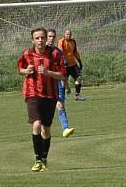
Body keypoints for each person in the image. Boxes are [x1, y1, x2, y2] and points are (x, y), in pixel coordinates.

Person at [17, 27, 66, 171]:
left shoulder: (55, 54)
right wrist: (26, 71)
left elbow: (62, 75)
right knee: (36, 124)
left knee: (46, 129)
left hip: (50, 95)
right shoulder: (27, 54)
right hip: (32, 93)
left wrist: (48, 72)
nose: (40, 40)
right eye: (37, 38)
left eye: (42, 38)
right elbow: (20, 69)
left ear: (46, 39)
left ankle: (44, 158)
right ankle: (37, 159)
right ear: (32, 40)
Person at [47, 28, 75, 138]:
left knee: (60, 105)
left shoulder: (58, 52)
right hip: (45, 83)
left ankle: (65, 128)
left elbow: (63, 71)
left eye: (53, 36)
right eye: (49, 36)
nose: (51, 38)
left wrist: (67, 85)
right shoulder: (41, 51)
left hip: (57, 82)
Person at [57, 28, 85, 101]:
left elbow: (75, 52)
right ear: (64, 34)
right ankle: (63, 97)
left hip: (73, 64)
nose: (68, 35)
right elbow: (60, 52)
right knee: (63, 81)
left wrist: (79, 61)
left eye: (70, 34)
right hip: (65, 65)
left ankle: (77, 95)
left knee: (79, 77)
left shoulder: (73, 42)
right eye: (67, 34)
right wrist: (64, 60)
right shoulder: (61, 41)